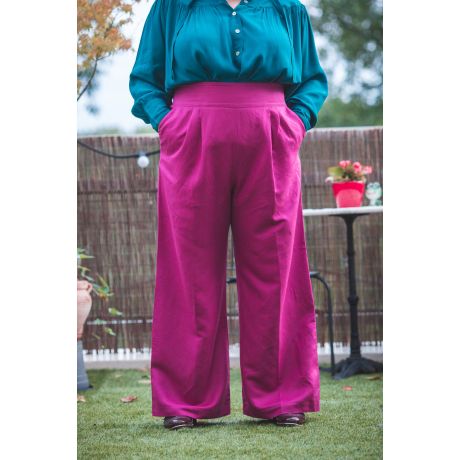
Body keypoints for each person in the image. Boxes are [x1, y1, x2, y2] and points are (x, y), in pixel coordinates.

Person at [129, 0, 328, 430]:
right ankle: (185, 399)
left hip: (271, 138)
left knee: (276, 266)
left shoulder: (286, 8)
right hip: (191, 138)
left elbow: (312, 80)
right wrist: (168, 123)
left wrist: (295, 123)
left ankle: (281, 396)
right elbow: (144, 77)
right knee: (189, 270)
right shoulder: (174, 7)